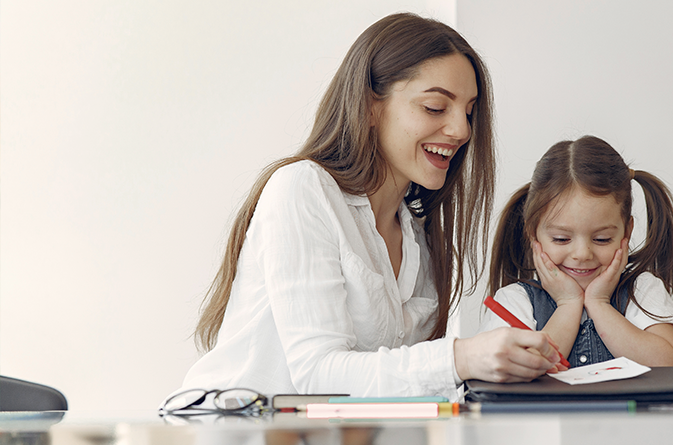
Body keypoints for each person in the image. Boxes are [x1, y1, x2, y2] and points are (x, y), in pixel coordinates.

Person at [172, 13, 564, 402]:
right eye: (434, 107)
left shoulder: (418, 236)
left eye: (468, 112)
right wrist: (461, 358)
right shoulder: (304, 189)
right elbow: (318, 374)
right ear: (371, 107)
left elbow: (394, 385)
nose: (461, 130)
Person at [480, 136, 673, 368]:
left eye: (601, 239)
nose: (582, 254)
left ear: (626, 232)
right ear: (533, 233)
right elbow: (516, 369)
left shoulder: (641, 290)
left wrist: (599, 304)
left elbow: (669, 365)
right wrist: (568, 304)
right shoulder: (515, 301)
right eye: (561, 239)